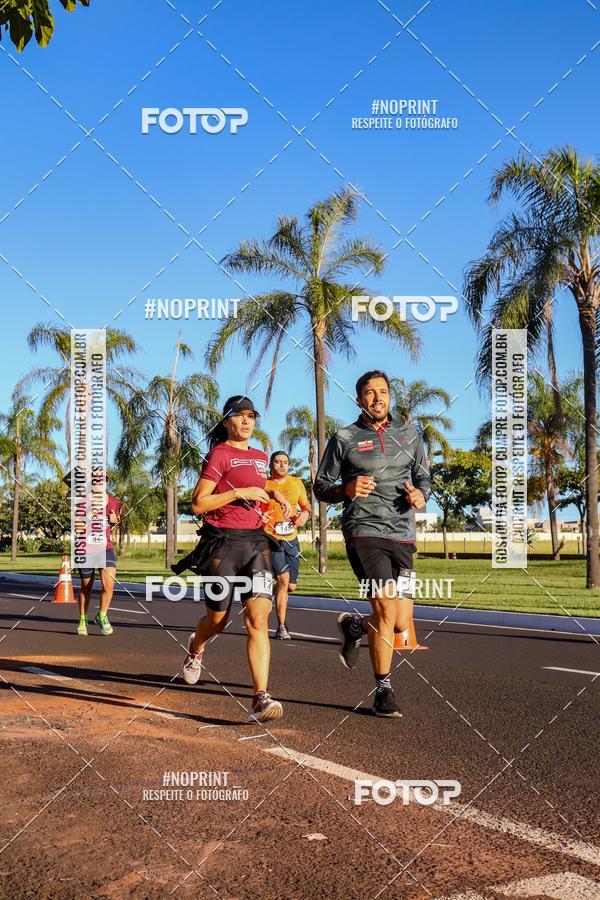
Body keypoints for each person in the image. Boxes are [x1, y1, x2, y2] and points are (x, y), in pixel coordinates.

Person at [313, 370, 430, 718]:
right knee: (384, 605)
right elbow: (321, 486)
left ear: (389, 397)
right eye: (369, 392)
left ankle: (354, 627)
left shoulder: (410, 435)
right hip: (364, 530)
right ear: (359, 399)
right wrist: (345, 490)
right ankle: (383, 690)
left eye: (382, 392)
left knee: (398, 621)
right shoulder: (345, 437)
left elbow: (423, 477)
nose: (377, 397)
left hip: (403, 533)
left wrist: (421, 495)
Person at [181, 395, 292, 723]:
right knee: (218, 620)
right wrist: (237, 494)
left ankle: (260, 697)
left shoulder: (260, 457)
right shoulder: (219, 454)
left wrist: (274, 492)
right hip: (221, 545)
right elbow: (199, 504)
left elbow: (259, 481)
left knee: (259, 618)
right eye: (240, 416)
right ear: (227, 421)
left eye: (251, 417)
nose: (246, 422)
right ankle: (197, 646)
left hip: (256, 544)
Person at [263, 451, 311, 639]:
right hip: (271, 537)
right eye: (277, 462)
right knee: (283, 580)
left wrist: (303, 516)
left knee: (290, 586)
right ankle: (281, 627)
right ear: (271, 465)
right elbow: (256, 509)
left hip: (291, 536)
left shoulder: (296, 483)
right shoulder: (265, 484)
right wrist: (262, 518)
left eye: (285, 462)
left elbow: (306, 507)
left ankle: (273, 592)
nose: (282, 465)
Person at [77, 488, 121, 636]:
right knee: (86, 586)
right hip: (86, 549)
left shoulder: (113, 501)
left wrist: (114, 520)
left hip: (105, 548)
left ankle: (101, 615)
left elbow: (115, 521)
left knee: (109, 583)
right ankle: (83, 619)